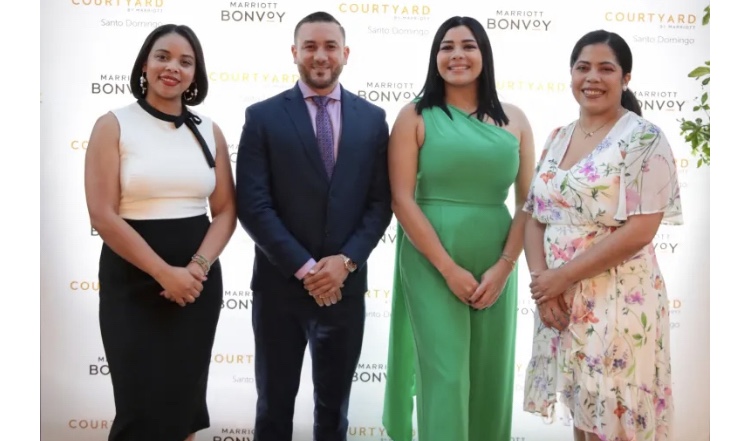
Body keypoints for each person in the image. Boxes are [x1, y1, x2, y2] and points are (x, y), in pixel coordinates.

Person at [234, 11, 392, 441]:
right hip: (279, 289)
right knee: (273, 408)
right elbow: (253, 205)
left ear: (346, 53)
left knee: (334, 412)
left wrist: (345, 262)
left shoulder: (373, 119)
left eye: (330, 46)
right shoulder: (262, 116)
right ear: (294, 52)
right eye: (310, 46)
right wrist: (307, 269)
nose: (320, 56)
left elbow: (380, 203)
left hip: (344, 288)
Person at [521, 30, 682, 441]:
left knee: (615, 421)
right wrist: (544, 286)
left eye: (606, 69)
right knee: (583, 415)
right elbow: (534, 216)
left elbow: (641, 230)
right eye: (583, 67)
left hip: (618, 301)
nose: (592, 77)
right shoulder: (557, 137)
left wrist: (562, 277)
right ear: (571, 74)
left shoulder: (644, 138)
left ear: (625, 78)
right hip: (560, 301)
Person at [382, 16, 536, 441]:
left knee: (490, 375)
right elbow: (401, 200)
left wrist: (505, 266)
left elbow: (528, 203)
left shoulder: (516, 119)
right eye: (446, 47)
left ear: (484, 55)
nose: (457, 55)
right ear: (435, 58)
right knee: (444, 376)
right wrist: (448, 269)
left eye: (468, 46)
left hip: (497, 257)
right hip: (430, 258)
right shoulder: (414, 115)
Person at [84, 24, 237, 441]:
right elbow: (102, 215)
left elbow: (225, 210)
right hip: (132, 282)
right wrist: (164, 273)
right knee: (139, 411)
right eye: (163, 57)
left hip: (197, 285)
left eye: (185, 62)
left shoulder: (210, 130)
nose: (173, 68)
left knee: (183, 408)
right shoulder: (113, 124)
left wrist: (197, 268)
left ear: (195, 74)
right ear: (145, 65)